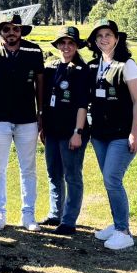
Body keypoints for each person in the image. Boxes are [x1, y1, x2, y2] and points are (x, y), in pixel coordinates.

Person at [0, 13, 44, 232]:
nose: (11, 33)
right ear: (0, 31)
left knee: (28, 169)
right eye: (6, 29)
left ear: (21, 30)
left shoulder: (34, 51)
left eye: (15, 29)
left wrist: (41, 113)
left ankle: (28, 215)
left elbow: (40, 84)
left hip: (27, 119)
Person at [86, 18, 137, 251]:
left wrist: (134, 133)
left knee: (112, 178)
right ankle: (117, 223)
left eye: (108, 35)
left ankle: (123, 231)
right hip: (100, 134)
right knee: (109, 181)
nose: (103, 39)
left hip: (123, 134)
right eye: (99, 36)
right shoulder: (95, 65)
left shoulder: (127, 64)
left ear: (117, 38)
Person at [40, 26, 90, 235]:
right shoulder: (52, 68)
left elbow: (82, 104)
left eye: (71, 43)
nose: (66, 47)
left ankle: (69, 220)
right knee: (54, 174)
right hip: (52, 130)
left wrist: (77, 132)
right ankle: (55, 214)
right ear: (58, 45)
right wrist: (42, 126)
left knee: (72, 176)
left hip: (72, 132)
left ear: (77, 46)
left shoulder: (82, 71)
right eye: (63, 43)